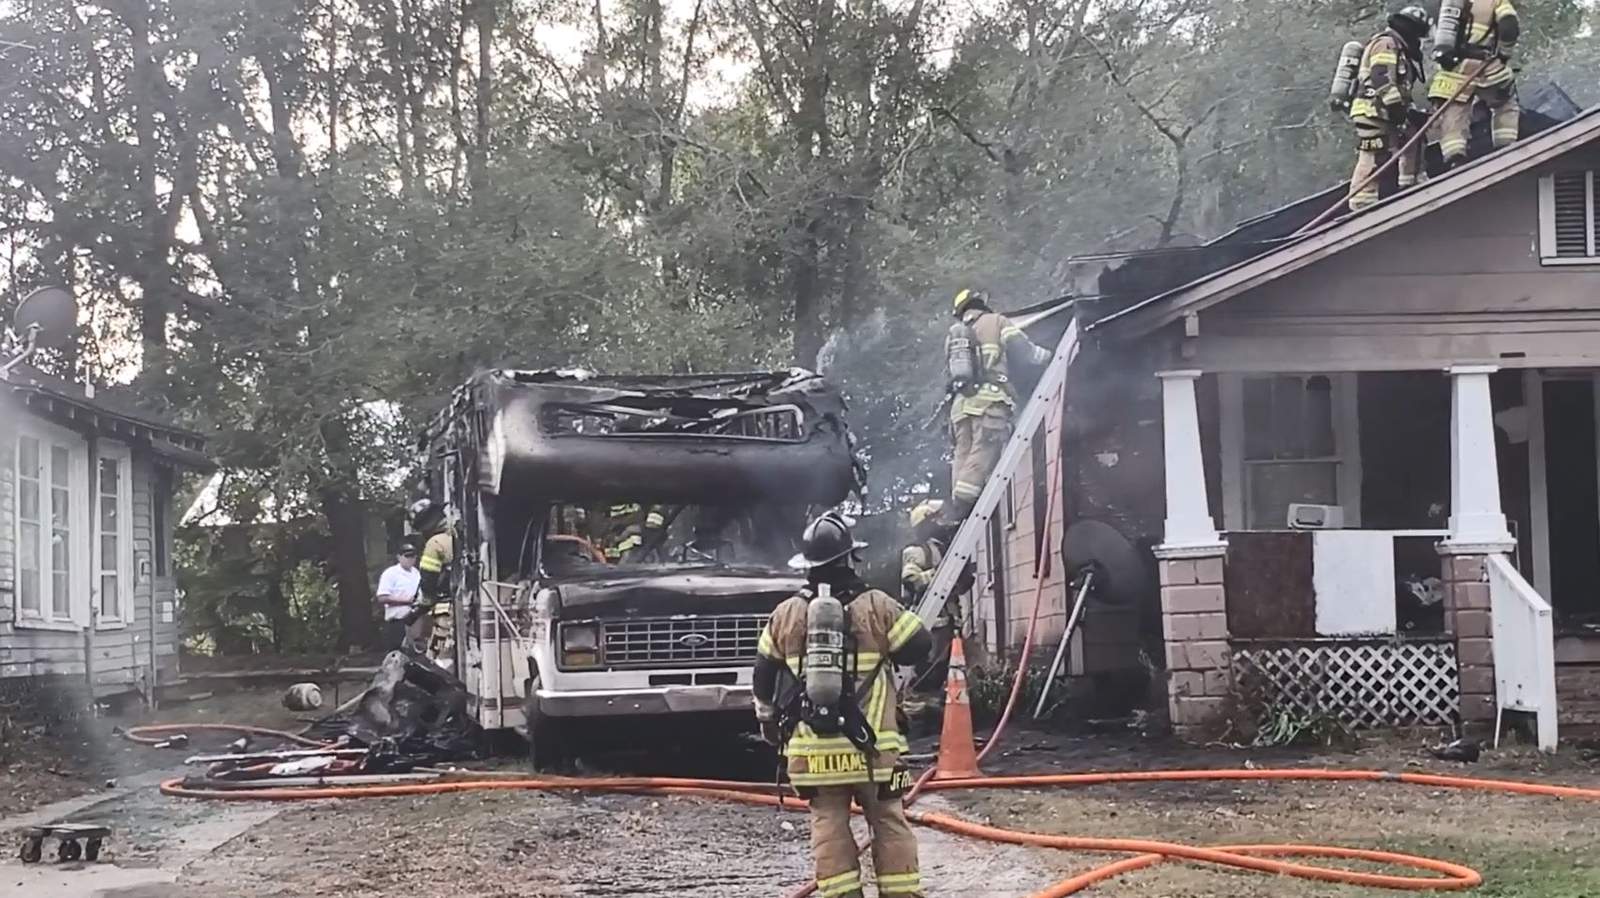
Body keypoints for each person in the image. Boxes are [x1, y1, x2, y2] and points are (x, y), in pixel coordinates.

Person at [753, 512, 932, 898]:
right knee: (888, 821)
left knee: (828, 828)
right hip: (875, 751)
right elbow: (921, 646)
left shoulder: (785, 614)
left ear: (808, 566)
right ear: (851, 557)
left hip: (814, 755)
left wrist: (767, 723)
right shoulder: (877, 606)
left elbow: (762, 676)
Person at [942, 288, 1051, 525]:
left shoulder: (954, 337)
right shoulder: (998, 322)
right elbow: (1025, 351)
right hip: (989, 401)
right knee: (983, 449)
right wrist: (1048, 357)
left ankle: (958, 505)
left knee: (963, 452)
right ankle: (965, 504)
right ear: (982, 304)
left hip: (960, 406)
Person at [1347, 6, 1431, 211]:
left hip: (1384, 110)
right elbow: (1381, 78)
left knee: (1414, 135)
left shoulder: (1399, 48)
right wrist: (1396, 108)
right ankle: (1361, 204)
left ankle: (1410, 183)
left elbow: (1399, 86)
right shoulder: (1386, 44)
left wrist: (1408, 111)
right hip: (1372, 111)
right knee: (1375, 152)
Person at [1430, 0, 1521, 167]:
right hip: (1487, 66)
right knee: (1505, 103)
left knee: (1453, 110)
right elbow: (1509, 25)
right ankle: (1505, 148)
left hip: (1454, 67)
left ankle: (1454, 157)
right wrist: (1504, 53)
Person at [408, 497, 455, 652]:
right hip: (462, 601)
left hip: (445, 608)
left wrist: (417, 611)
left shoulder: (434, 544)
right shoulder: (456, 534)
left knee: (440, 654)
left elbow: (428, 581)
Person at [376, 543, 421, 651]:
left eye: (413, 556)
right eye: (407, 556)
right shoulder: (390, 574)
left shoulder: (416, 573)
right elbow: (382, 598)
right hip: (397, 622)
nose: (410, 559)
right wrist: (406, 601)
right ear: (399, 557)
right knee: (397, 657)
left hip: (414, 621)